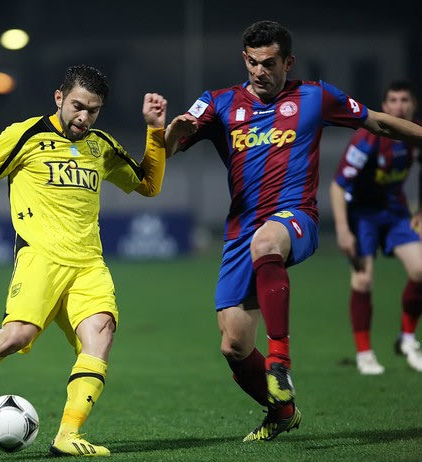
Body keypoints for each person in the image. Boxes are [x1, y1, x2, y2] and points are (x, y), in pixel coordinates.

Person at [0, 64, 171, 457]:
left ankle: (67, 435)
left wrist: (155, 131)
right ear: (59, 98)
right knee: (15, 337)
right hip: (40, 258)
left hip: (89, 263)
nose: (84, 117)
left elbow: (149, 185)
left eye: (93, 111)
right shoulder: (24, 135)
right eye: (77, 106)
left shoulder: (101, 146)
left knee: (101, 333)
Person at [165, 20, 422, 442]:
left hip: (295, 217)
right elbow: (168, 148)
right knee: (233, 345)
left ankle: (280, 360)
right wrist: (165, 134)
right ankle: (282, 411)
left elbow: (379, 122)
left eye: (269, 63)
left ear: (288, 62)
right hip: (240, 232)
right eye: (252, 62)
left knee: (267, 240)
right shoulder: (218, 102)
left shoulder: (316, 97)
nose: (259, 71)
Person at [329, 81, 422, 375]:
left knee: (420, 271)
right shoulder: (367, 139)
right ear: (384, 106)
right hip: (362, 216)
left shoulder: (415, 135)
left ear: (414, 105)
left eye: (404, 100)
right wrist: (342, 230)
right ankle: (364, 354)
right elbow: (338, 185)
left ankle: (407, 338)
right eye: (392, 100)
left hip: (395, 212)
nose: (399, 106)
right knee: (363, 280)